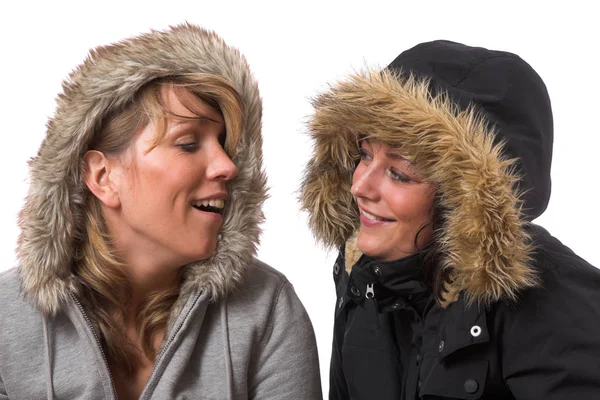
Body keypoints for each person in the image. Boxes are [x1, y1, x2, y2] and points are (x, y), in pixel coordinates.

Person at [0, 24, 322, 400]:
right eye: (188, 143)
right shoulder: (6, 321)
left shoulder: (266, 308)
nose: (227, 166)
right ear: (104, 177)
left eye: (223, 145)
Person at [300, 40, 600, 399]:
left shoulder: (556, 303)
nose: (359, 186)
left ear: (463, 199)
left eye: (399, 173)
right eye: (364, 155)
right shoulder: (362, 272)